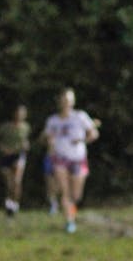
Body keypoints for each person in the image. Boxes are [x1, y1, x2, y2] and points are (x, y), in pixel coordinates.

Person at [41, 87, 99, 233]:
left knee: (76, 195)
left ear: (73, 101)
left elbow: (94, 133)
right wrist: (48, 139)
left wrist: (82, 139)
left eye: (69, 99)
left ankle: (71, 213)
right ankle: (69, 221)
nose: (66, 102)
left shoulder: (80, 116)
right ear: (59, 102)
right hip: (60, 159)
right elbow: (44, 138)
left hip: (78, 159)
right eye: (63, 99)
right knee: (65, 192)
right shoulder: (52, 120)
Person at [0, 104, 31, 216]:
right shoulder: (5, 127)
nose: (20, 115)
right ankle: (9, 204)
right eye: (18, 112)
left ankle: (15, 205)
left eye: (22, 113)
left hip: (19, 155)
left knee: (17, 181)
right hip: (6, 156)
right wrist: (2, 147)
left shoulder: (26, 127)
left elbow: (26, 142)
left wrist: (25, 146)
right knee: (9, 183)